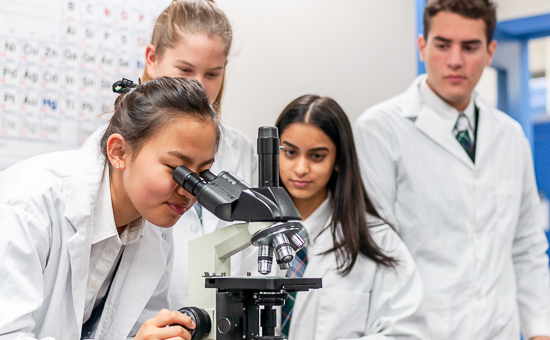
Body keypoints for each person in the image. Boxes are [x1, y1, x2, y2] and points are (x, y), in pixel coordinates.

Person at [353, 0, 550, 339]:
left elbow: (527, 245)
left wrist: (539, 331)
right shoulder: (380, 128)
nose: (455, 60)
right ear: (422, 46)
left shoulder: (510, 135)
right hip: (416, 329)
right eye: (442, 45)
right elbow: (376, 247)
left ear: (490, 52)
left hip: (498, 329)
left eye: (470, 47)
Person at [0, 77, 220, 340]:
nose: (188, 190)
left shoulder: (157, 232)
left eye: (203, 173)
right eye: (177, 169)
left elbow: (133, 329)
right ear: (118, 152)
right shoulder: (30, 205)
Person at [84, 0, 257, 309]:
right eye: (185, 69)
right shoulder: (121, 145)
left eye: (212, 74)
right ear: (152, 58)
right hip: (145, 310)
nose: (199, 88)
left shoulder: (241, 150)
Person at [274, 95, 429, 340]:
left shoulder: (376, 238)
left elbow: (404, 332)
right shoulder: (246, 234)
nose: (301, 168)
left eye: (317, 156)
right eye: (290, 153)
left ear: (338, 160)